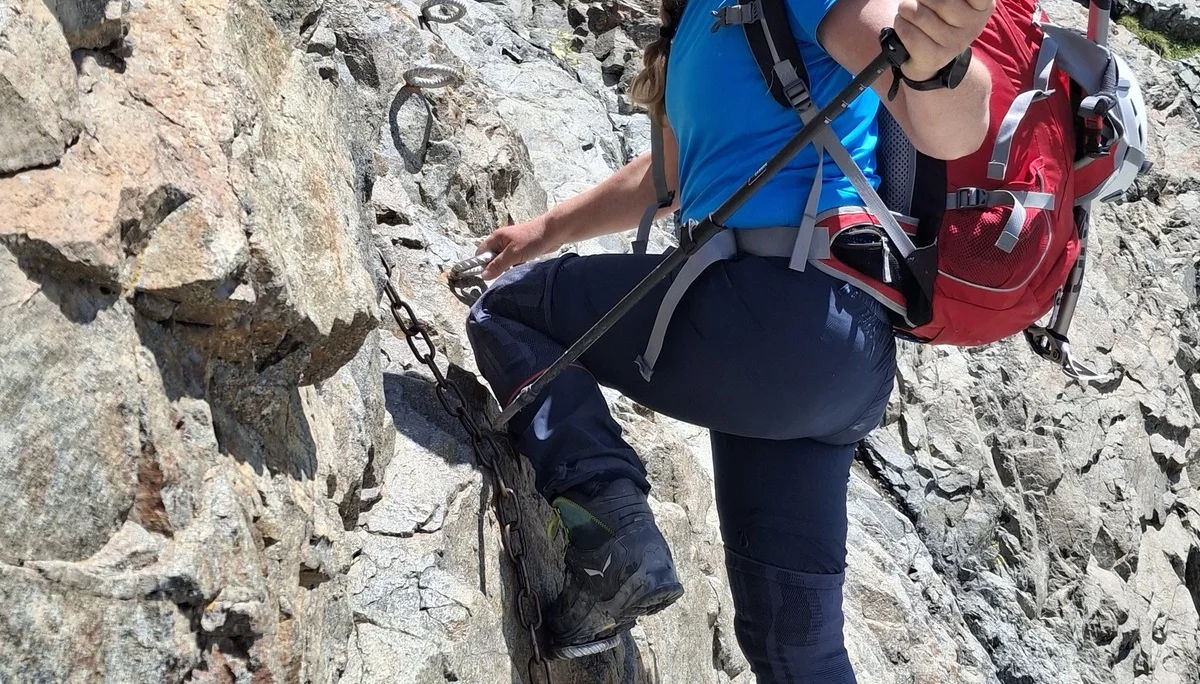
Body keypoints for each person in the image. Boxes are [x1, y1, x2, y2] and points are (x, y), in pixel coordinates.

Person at [464, 0, 994, 677]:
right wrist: (544, 232)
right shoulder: (702, 27)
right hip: (839, 356)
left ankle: (611, 536)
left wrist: (942, 63)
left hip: (774, 319)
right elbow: (669, 176)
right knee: (792, 645)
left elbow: (942, 119)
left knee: (508, 312)